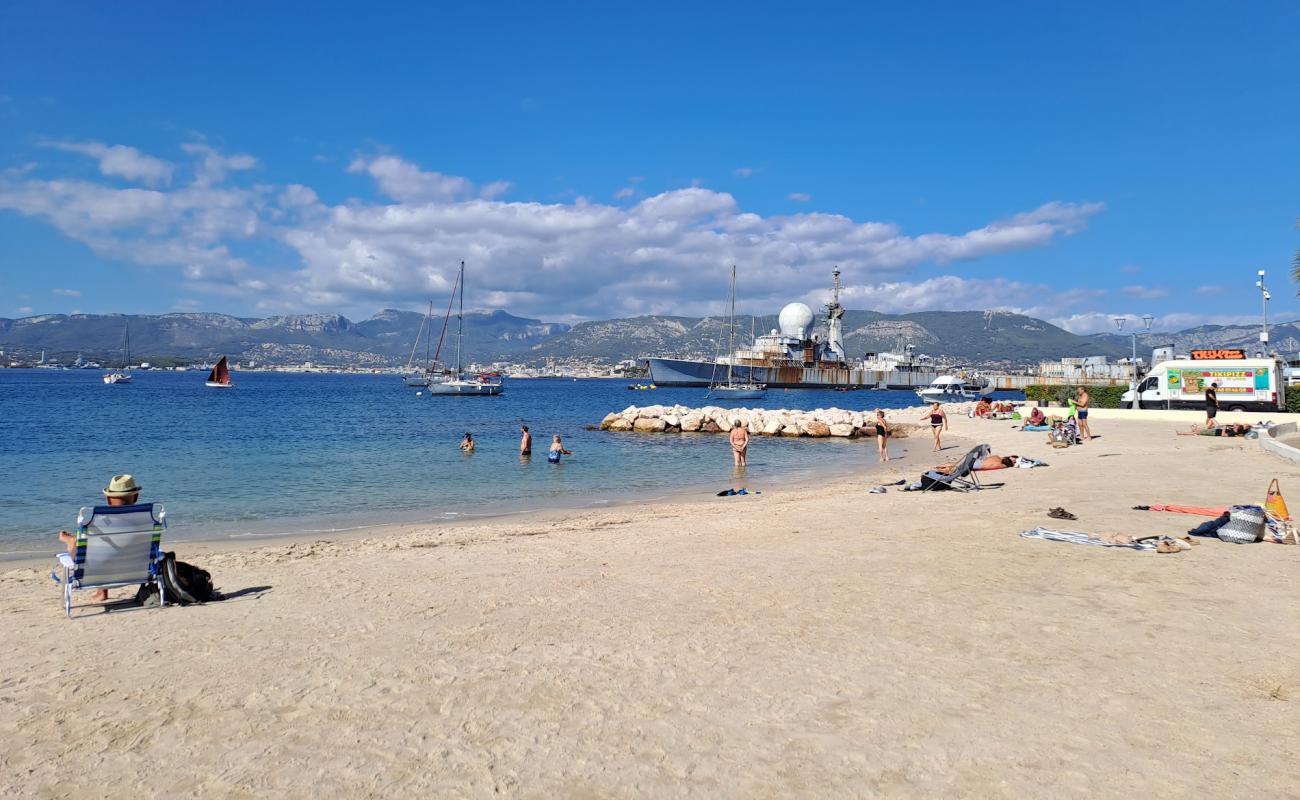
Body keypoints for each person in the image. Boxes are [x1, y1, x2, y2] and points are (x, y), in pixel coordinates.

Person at [58, 474, 142, 602]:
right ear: (136, 496)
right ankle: (101, 591)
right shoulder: (144, 519)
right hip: (136, 570)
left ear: (108, 499)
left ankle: (72, 541)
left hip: (100, 570)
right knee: (111, 545)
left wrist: (73, 543)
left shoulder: (102, 522)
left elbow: (90, 551)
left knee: (91, 548)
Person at [937, 454, 1019, 473]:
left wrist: (1010, 459)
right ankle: (940, 471)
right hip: (977, 465)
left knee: (956, 465)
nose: (1014, 461)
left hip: (976, 461)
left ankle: (938, 468)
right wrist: (1012, 463)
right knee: (956, 468)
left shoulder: (997, 457)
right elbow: (1010, 464)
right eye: (1014, 460)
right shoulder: (1002, 465)